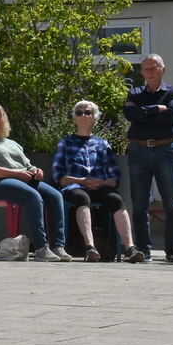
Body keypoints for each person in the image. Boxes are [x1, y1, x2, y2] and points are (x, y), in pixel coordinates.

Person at [0, 102, 71, 262]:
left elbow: (28, 165)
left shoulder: (12, 144)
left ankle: (58, 246)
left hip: (20, 180)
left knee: (55, 196)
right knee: (32, 195)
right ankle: (41, 248)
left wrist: (35, 171)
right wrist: (17, 173)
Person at [52, 101, 145, 263]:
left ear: (95, 118)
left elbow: (114, 177)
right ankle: (90, 248)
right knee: (82, 198)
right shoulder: (65, 143)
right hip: (75, 186)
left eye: (87, 112)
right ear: (74, 119)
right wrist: (82, 180)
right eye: (79, 113)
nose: (83, 116)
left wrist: (100, 183)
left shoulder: (102, 144)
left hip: (99, 186)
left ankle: (130, 248)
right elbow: (58, 177)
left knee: (115, 199)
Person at [123, 54, 173, 262]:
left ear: (162, 70)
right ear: (141, 72)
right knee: (139, 204)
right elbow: (130, 115)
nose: (149, 71)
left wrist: (145, 113)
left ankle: (172, 251)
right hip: (138, 150)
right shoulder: (135, 92)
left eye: (154, 67)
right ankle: (144, 250)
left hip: (165, 150)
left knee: (172, 203)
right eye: (146, 68)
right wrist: (158, 109)